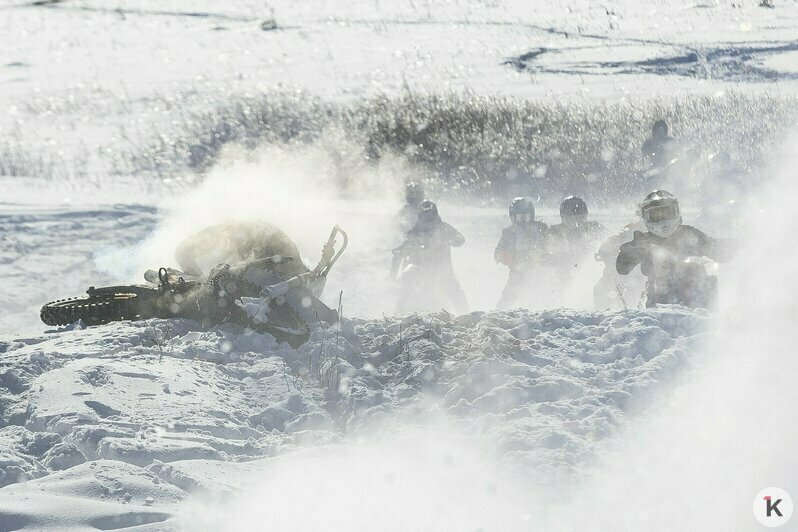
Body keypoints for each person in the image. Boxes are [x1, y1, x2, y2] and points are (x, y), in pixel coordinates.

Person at [616, 190, 735, 308]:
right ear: (646, 217)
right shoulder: (643, 241)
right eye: (656, 216)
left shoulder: (689, 234)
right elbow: (622, 269)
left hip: (697, 303)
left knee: (697, 270)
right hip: (659, 305)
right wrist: (631, 250)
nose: (663, 220)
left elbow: (715, 250)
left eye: (667, 213)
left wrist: (736, 245)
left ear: (676, 212)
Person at [391, 200, 468, 314]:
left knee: (454, 289)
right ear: (420, 216)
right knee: (407, 285)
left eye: (431, 215)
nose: (428, 219)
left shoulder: (444, 228)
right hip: (420, 267)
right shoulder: (416, 231)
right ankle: (398, 312)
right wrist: (401, 250)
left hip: (442, 267)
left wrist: (454, 239)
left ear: (436, 215)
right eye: (425, 216)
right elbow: (405, 245)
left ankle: (464, 314)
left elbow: (460, 239)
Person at [174, 220, 308, 279]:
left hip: (283, 268)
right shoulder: (234, 232)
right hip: (290, 266)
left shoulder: (237, 234)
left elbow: (246, 267)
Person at [494, 197, 548, 309]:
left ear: (532, 215)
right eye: (519, 217)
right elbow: (497, 254)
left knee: (543, 298)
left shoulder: (540, 229)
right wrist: (506, 257)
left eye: (526, 217)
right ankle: (501, 314)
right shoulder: (509, 233)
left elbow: (551, 244)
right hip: (517, 273)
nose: (523, 221)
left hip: (538, 272)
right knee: (505, 303)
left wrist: (544, 255)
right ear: (513, 217)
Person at [593, 217, 647, 309]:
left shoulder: (653, 235)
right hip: (622, 270)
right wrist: (606, 252)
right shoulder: (629, 230)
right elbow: (608, 245)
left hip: (639, 274)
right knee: (601, 287)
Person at [546, 196, 606, 278]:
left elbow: (611, 239)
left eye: (578, 219)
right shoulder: (555, 232)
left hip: (587, 271)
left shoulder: (593, 228)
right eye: (570, 219)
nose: (575, 223)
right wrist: (553, 258)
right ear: (563, 217)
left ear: (585, 216)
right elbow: (541, 252)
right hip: (562, 273)